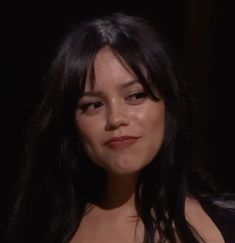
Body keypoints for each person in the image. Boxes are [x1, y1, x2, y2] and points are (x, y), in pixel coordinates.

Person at [8, 12, 235, 243]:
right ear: (71, 124)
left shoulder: (225, 221)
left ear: (168, 105)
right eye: (93, 105)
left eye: (136, 95)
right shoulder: (39, 229)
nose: (116, 119)